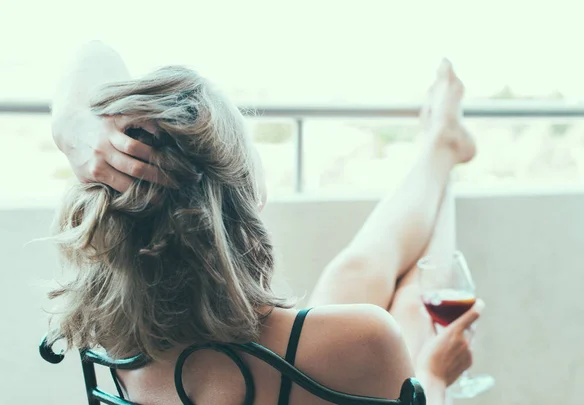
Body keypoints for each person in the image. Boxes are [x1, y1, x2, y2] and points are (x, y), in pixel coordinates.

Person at [48, 41, 483, 405]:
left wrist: (74, 126)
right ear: (243, 197)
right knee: (410, 306)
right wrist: (435, 376)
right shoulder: (365, 339)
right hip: (291, 368)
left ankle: (441, 148)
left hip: (233, 360)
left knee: (353, 273)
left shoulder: (115, 342)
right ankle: (442, 151)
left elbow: (90, 52)